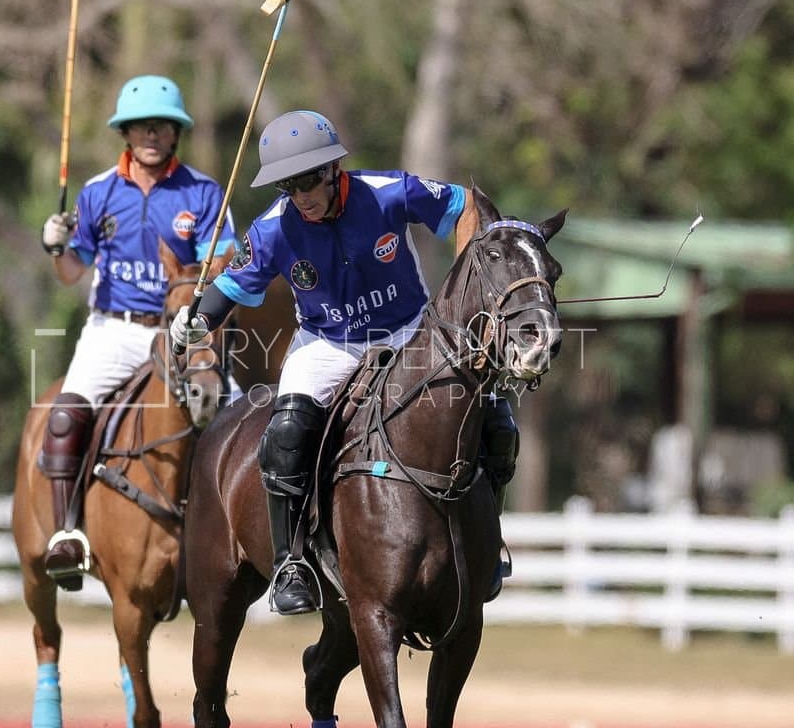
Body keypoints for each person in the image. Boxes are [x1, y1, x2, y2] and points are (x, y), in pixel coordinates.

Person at [170, 109, 519, 616]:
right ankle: (292, 561)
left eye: (310, 178)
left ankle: (487, 543)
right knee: (286, 431)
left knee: (496, 419)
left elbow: (467, 206)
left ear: (334, 169)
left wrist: (466, 280)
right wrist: (196, 321)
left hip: (410, 332)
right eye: (290, 184)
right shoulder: (272, 229)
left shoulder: (388, 192)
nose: (303, 194)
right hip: (326, 342)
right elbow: (229, 285)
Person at [38, 74, 236, 589]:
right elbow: (71, 273)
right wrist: (57, 245)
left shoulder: (203, 192)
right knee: (64, 416)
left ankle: (240, 535)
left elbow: (224, 262)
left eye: (162, 126)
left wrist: (208, 277)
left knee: (233, 420)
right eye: (141, 126)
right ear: (125, 133)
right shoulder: (98, 193)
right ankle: (68, 533)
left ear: (175, 133)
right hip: (113, 329)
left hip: (180, 332)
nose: (151, 134)